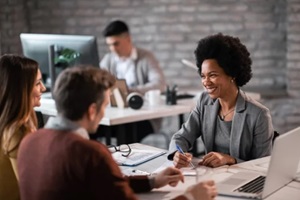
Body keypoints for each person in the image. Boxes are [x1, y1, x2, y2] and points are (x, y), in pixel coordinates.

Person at [17, 66, 217, 200]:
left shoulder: (29, 141)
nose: (105, 110)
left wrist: (151, 181)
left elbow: (103, 183)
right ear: (92, 110)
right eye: (105, 104)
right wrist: (191, 197)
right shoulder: (90, 153)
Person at [168, 33, 274, 168]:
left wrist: (231, 160)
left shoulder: (259, 115)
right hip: (211, 178)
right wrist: (177, 153)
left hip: (243, 181)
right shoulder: (204, 102)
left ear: (232, 75)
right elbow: (181, 137)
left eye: (212, 75)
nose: (206, 82)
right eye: (203, 76)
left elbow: (263, 165)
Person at [99, 20, 166, 141]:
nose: (112, 49)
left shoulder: (146, 57)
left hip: (144, 117)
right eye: (109, 45)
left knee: (126, 131)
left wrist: (128, 91)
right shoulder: (108, 59)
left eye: (116, 44)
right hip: (116, 113)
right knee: (90, 128)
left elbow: (160, 84)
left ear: (128, 39)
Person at [0, 54, 46, 200]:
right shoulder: (18, 131)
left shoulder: (6, 124)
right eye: (38, 83)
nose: (43, 88)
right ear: (20, 89)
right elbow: (35, 192)